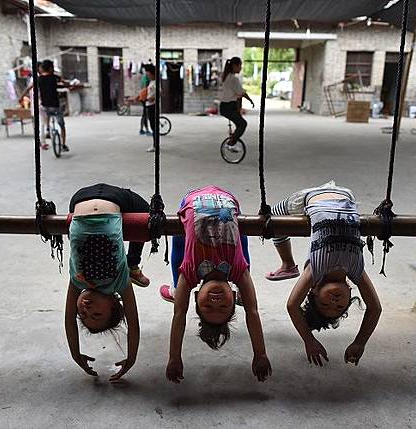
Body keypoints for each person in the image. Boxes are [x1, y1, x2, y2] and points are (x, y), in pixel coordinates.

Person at [160, 185, 272, 383]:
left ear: (195, 296)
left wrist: (174, 357)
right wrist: (260, 353)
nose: (215, 301)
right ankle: (182, 293)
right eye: (222, 306)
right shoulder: (238, 272)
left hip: (192, 198)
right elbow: (252, 312)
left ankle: (177, 291)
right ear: (235, 297)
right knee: (242, 249)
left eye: (208, 306)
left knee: (179, 243)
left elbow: (179, 315)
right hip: (227, 197)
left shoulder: (190, 272)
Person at [266, 181, 382, 367]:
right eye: (339, 307)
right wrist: (360, 342)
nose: (334, 302)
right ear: (350, 293)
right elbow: (375, 308)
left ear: (313, 290)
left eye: (325, 303)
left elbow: (292, 305)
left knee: (272, 217)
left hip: (311, 197)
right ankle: (287, 264)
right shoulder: (356, 271)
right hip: (345, 195)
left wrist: (309, 340)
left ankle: (288, 264)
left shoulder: (315, 270)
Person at [64, 183, 151, 380]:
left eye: (83, 314)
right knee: (146, 215)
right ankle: (132, 266)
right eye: (96, 313)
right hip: (115, 199)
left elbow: (69, 319)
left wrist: (75, 355)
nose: (86, 308)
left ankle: (133, 265)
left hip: (80, 199)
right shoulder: (120, 282)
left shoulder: (77, 281)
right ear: (114, 302)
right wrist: (132, 358)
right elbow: (134, 323)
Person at [21, 60, 69, 152]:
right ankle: (63, 145)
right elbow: (65, 83)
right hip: (55, 106)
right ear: (51, 69)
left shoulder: (38, 79)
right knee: (62, 125)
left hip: (44, 106)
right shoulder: (55, 77)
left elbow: (28, 88)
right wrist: (67, 84)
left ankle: (47, 129)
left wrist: (21, 97)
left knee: (44, 114)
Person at [220, 57, 254, 149]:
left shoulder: (226, 76)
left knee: (239, 124)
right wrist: (250, 100)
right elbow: (241, 92)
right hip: (228, 107)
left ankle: (232, 140)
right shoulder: (233, 78)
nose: (241, 68)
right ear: (235, 66)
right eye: (240, 65)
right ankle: (230, 144)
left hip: (227, 106)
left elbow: (236, 93)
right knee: (243, 124)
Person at [144, 64, 158, 152]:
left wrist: (150, 98)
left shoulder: (155, 82)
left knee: (154, 127)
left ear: (152, 74)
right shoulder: (151, 82)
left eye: (148, 74)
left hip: (153, 106)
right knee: (153, 127)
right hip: (149, 105)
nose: (147, 76)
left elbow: (158, 94)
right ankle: (155, 145)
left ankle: (155, 146)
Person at [139, 66, 151, 136]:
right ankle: (146, 130)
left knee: (144, 114)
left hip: (143, 96)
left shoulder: (145, 77)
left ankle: (141, 129)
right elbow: (146, 88)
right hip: (144, 97)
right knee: (146, 114)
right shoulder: (146, 77)